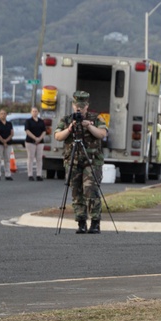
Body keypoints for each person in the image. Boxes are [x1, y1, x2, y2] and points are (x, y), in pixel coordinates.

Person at [53, 91, 108, 234]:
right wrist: (69, 129)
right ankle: (81, 222)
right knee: (76, 192)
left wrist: (88, 126)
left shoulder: (95, 119)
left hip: (91, 161)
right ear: (73, 105)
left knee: (91, 190)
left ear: (87, 106)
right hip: (73, 160)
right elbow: (57, 136)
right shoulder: (66, 120)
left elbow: (102, 134)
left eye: (82, 107)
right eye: (77, 106)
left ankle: (95, 222)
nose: (79, 109)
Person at [24, 106, 47, 182]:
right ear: (31, 112)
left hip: (40, 142)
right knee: (30, 158)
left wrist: (39, 138)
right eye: (33, 111)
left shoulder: (41, 121)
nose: (35, 113)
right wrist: (35, 138)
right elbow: (27, 130)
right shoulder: (28, 121)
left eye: (36, 111)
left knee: (39, 158)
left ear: (38, 112)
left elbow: (44, 131)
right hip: (30, 141)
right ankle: (30, 174)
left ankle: (39, 174)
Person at [0, 108, 13, 180]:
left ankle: (8, 174)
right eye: (1, 114)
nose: (3, 115)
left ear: (6, 115)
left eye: (4, 113)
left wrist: (6, 141)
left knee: (7, 159)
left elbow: (12, 133)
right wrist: (3, 141)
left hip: (8, 143)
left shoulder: (9, 124)